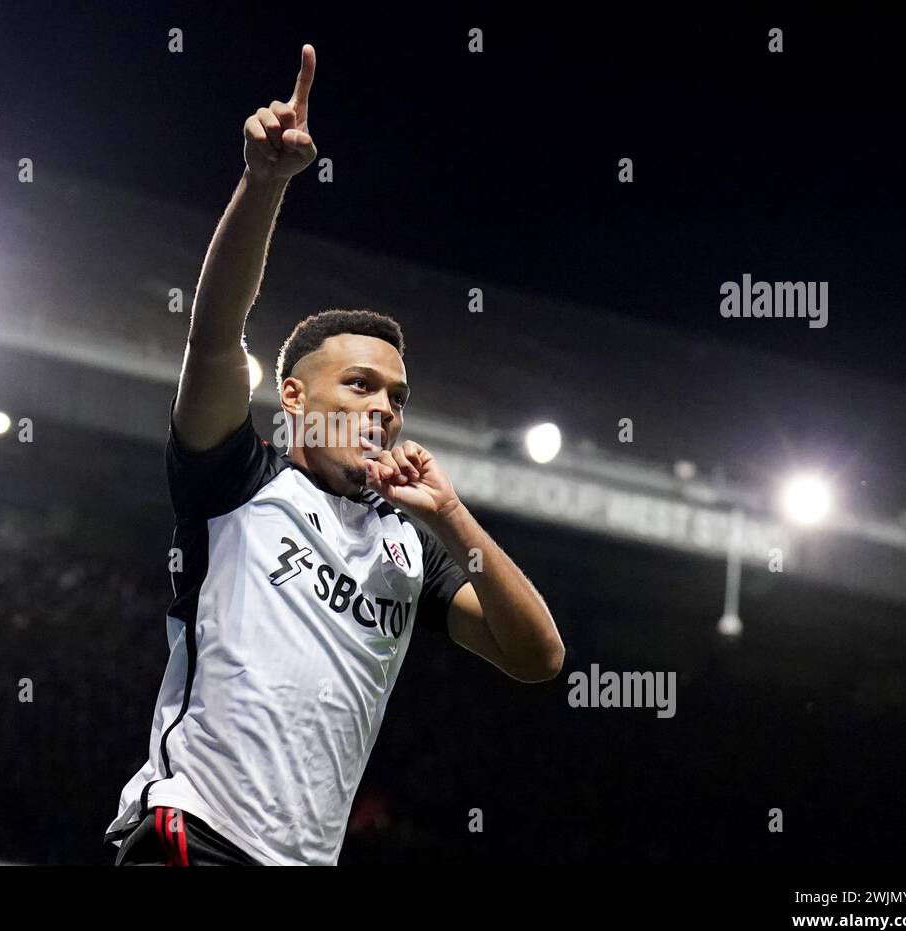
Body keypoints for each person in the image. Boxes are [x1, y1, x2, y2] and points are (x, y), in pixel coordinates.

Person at [106, 44, 564, 866]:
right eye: (358, 385)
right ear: (293, 398)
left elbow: (539, 658)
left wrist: (454, 519)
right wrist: (265, 184)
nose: (383, 407)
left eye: (395, 396)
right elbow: (213, 336)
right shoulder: (237, 478)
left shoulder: (409, 548)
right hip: (194, 834)